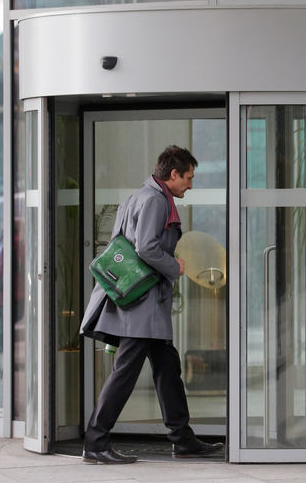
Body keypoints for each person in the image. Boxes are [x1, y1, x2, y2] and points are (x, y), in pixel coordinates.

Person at [79, 145, 223, 464]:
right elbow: (146, 248)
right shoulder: (156, 201)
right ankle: (95, 441)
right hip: (142, 308)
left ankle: (182, 439)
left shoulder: (138, 196)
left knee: (167, 368)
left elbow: (121, 243)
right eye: (188, 177)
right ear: (173, 175)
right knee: (125, 372)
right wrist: (175, 267)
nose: (190, 184)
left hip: (140, 303)